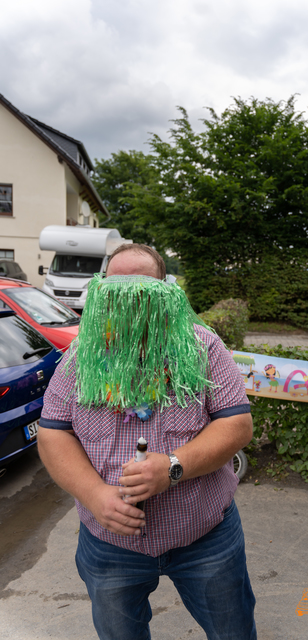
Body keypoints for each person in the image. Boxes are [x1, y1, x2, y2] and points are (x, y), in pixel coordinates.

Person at [38, 244, 257, 640]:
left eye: (142, 291)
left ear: (165, 292)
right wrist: (94, 495)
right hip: (110, 546)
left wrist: (174, 467)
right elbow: (53, 432)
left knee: (233, 631)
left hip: (205, 538)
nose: (128, 301)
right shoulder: (80, 357)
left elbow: (238, 425)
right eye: (116, 290)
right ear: (102, 292)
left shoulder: (203, 346)